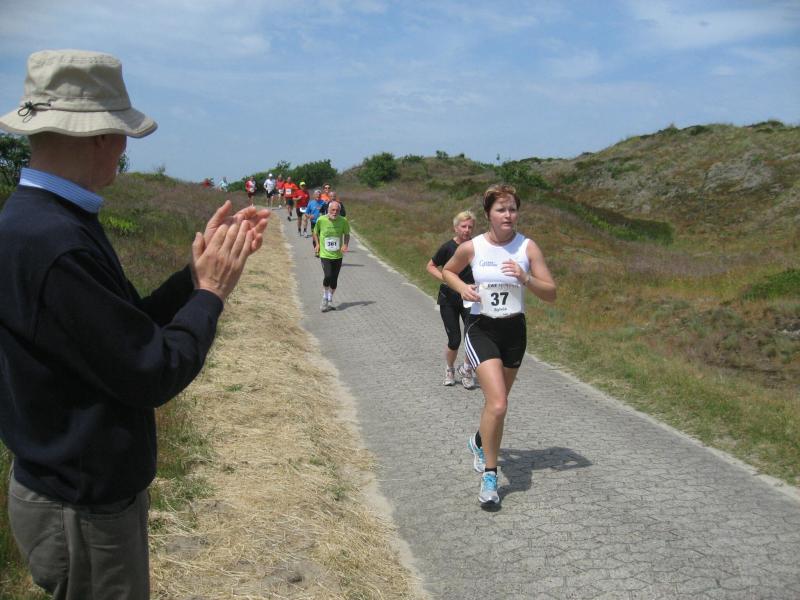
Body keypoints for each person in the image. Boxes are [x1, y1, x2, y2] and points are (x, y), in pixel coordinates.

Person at [0, 49, 271, 598]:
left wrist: (191, 279)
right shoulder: (54, 241)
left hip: (69, 491)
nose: (124, 148)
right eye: (122, 135)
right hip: (81, 507)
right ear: (101, 137)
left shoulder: (43, 220)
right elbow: (150, 370)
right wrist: (211, 294)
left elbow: (121, 334)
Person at [442, 184, 556, 508]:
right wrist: (462, 288)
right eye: (501, 210)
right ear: (488, 214)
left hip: (514, 332)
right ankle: (490, 476)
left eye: (512, 209)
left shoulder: (527, 247)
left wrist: (526, 278)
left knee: (497, 404)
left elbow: (551, 292)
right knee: (499, 403)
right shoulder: (473, 247)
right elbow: (448, 271)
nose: (508, 215)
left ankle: (479, 441)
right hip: (482, 328)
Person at [426, 211, 477, 389]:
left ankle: (467, 370)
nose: (467, 230)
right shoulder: (447, 247)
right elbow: (430, 266)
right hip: (449, 298)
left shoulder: (477, 247)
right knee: (454, 340)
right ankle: (449, 369)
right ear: (456, 228)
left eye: (470, 227)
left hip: (470, 298)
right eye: (463, 226)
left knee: (471, 338)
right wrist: (446, 278)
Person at [312, 199, 350, 312]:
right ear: (328, 210)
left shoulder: (343, 221)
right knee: (327, 276)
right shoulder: (321, 220)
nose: (335, 212)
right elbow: (315, 232)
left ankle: (330, 299)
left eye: (337, 210)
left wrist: (345, 244)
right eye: (332, 210)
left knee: (334, 280)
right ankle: (324, 297)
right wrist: (317, 244)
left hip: (338, 255)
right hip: (325, 254)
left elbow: (347, 234)